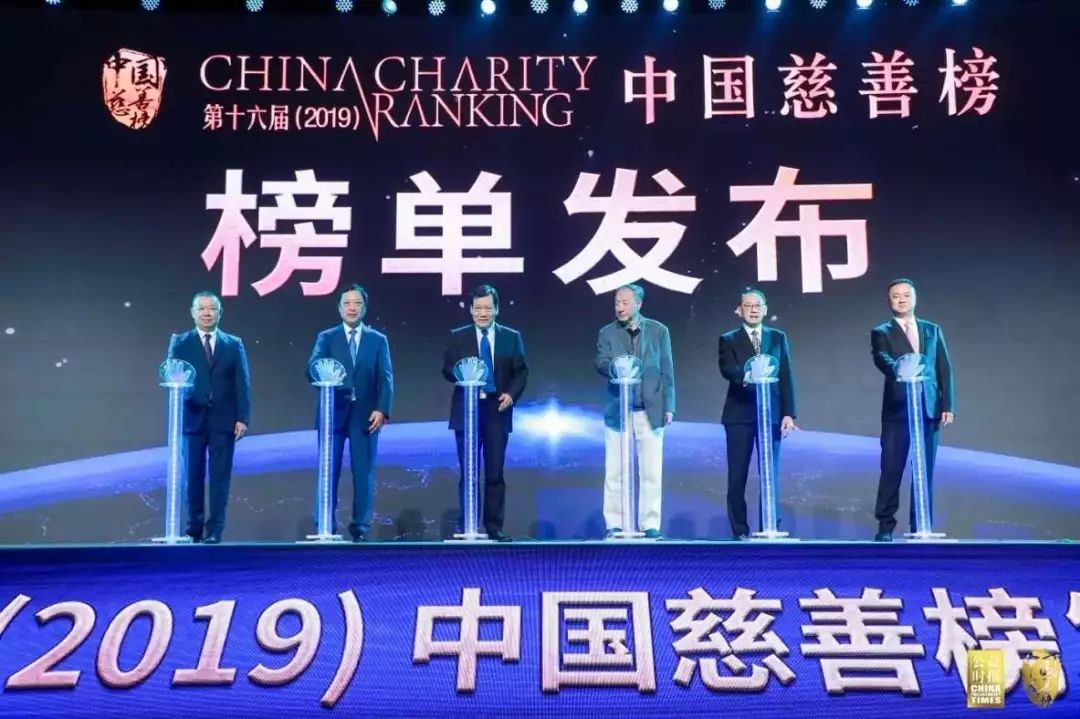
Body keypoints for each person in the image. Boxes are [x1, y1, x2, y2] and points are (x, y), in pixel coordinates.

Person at [306, 284, 393, 542]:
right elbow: (311, 368)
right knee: (328, 471)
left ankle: (360, 528)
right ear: (339, 307)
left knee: (363, 473)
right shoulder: (327, 337)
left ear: (364, 308)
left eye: (357, 303)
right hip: (332, 412)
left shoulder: (378, 340)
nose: (352, 308)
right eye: (347, 303)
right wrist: (325, 375)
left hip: (366, 416)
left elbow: (386, 378)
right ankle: (325, 526)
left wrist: (382, 409)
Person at [441, 284, 528, 542]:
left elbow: (521, 372)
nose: (482, 313)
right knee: (468, 472)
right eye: (478, 308)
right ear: (470, 310)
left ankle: (494, 527)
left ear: (496, 309)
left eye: (487, 308)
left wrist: (511, 395)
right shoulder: (458, 337)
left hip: (496, 409)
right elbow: (447, 368)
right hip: (466, 410)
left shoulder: (511, 337)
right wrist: (464, 376)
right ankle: (468, 523)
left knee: (494, 473)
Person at [870, 278, 955, 542]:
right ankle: (885, 526)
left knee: (924, 469)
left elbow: (943, 368)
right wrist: (900, 369)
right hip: (898, 410)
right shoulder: (881, 332)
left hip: (927, 410)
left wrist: (947, 405)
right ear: (889, 301)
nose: (902, 299)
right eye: (896, 296)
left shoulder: (932, 329)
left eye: (906, 295)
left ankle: (920, 524)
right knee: (891, 468)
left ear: (915, 298)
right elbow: (882, 358)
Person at [167, 291, 251, 544]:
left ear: (219, 313)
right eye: (201, 309)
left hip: (223, 421)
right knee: (192, 477)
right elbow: (172, 377)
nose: (206, 313)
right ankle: (193, 528)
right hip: (192, 419)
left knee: (220, 478)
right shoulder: (180, 343)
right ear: (192, 313)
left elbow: (242, 383)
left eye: (211, 309)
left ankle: (215, 530)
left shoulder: (233, 344)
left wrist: (243, 417)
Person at [595, 284, 675, 539]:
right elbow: (600, 361)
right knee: (615, 470)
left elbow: (667, 370)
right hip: (618, 409)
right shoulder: (607, 332)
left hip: (650, 409)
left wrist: (669, 406)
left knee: (651, 471)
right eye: (616, 302)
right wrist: (617, 367)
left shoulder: (659, 330)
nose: (619, 307)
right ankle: (615, 523)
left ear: (639, 304)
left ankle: (650, 524)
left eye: (625, 302)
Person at [717, 288, 797, 540]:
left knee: (770, 473)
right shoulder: (729, 339)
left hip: (771, 415)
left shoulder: (778, 337)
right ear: (739, 310)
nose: (753, 310)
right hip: (739, 415)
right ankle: (739, 529)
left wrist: (788, 413)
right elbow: (727, 369)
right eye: (748, 305)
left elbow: (785, 375)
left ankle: (770, 525)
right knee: (737, 475)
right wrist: (749, 376)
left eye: (757, 305)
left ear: (765, 309)